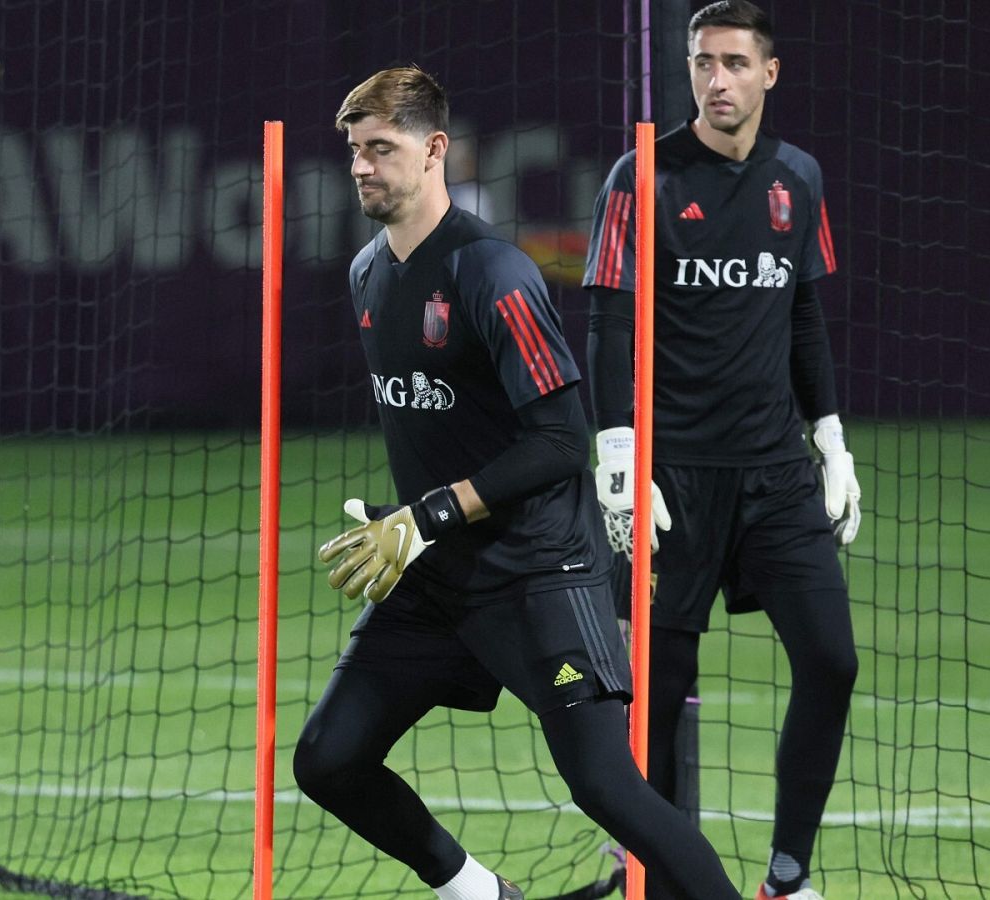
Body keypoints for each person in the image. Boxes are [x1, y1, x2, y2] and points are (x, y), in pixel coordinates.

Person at [294, 65, 741, 900]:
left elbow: (560, 441)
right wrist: (406, 519)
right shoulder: (366, 275)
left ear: (434, 150)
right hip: (432, 577)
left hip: (537, 572)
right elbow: (445, 427)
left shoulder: (492, 271)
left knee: (608, 790)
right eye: (354, 151)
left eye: (380, 149)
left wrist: (427, 513)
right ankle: (481, 895)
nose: (361, 167)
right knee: (329, 758)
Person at [581, 3, 861, 898]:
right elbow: (607, 316)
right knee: (654, 701)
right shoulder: (644, 175)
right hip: (675, 482)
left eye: (736, 63)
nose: (717, 80)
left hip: (777, 474)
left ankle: (787, 877)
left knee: (832, 659)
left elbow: (805, 314)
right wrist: (619, 450)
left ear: (769, 73)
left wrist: (831, 438)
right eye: (704, 62)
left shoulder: (800, 178)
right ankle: (665, 886)